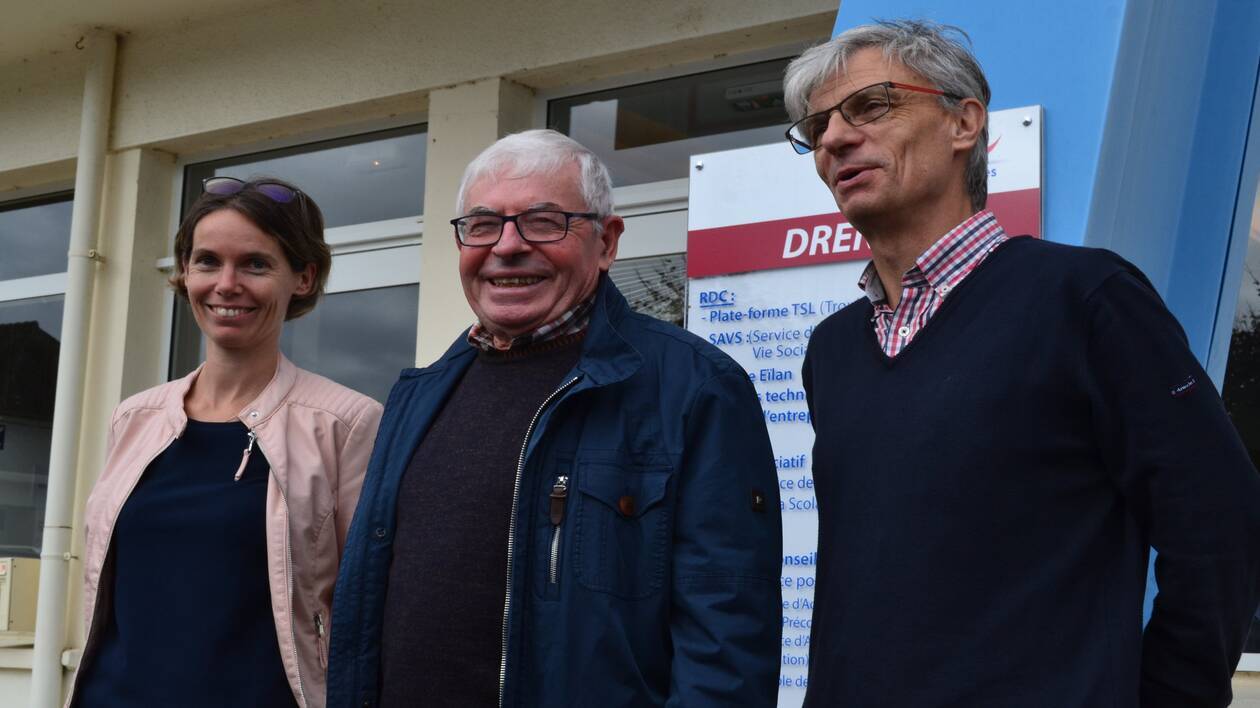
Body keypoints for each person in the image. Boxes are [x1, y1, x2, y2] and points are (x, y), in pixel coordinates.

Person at [784, 19, 1260, 707]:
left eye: (871, 105)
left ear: (964, 123)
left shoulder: (1086, 299)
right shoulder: (832, 350)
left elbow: (1219, 517)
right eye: (818, 126)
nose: (833, 139)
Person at [327, 129, 782, 707]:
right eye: (483, 225)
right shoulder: (417, 396)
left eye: (544, 221)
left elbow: (727, 645)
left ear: (607, 241)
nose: (507, 246)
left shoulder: (696, 389)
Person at [69, 177, 383, 708]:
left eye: (256, 264)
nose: (226, 284)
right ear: (185, 272)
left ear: (303, 277)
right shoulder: (135, 417)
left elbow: (367, 608)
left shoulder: (345, 423)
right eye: (208, 261)